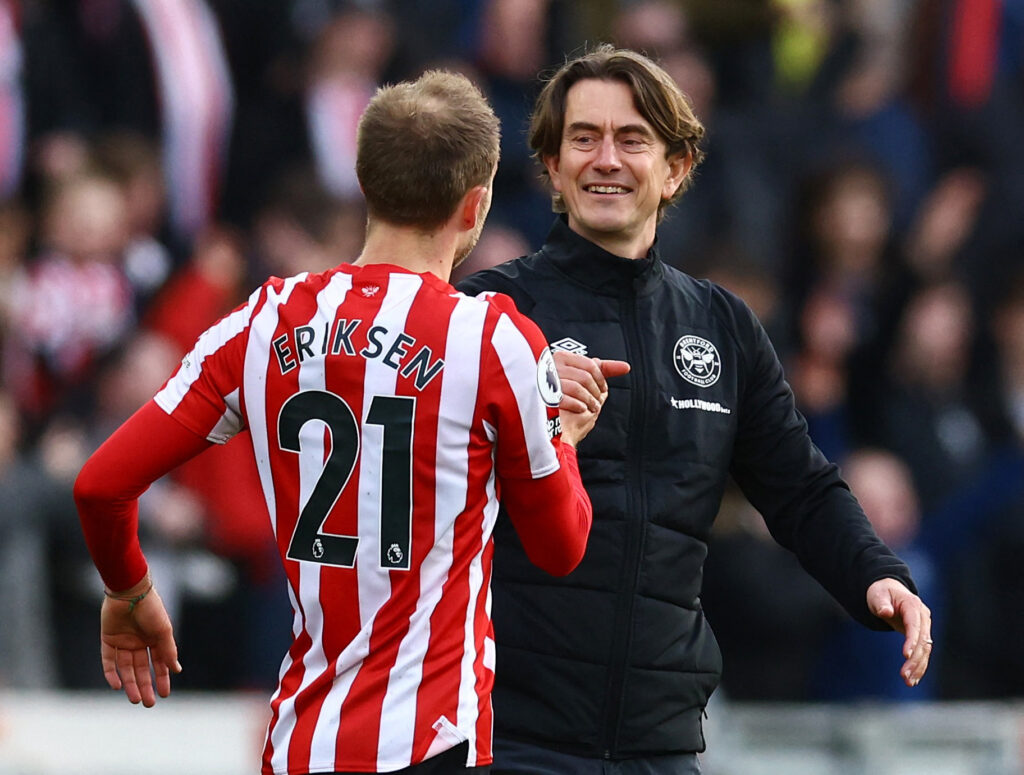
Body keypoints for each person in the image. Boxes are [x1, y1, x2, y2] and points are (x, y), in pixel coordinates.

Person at [73, 70, 622, 775]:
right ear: (475, 204)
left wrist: (129, 590)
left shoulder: (261, 321)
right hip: (431, 741)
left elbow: (100, 485)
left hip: (302, 742)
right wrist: (565, 437)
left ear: (365, 183)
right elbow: (560, 545)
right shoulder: (492, 341)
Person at [456, 45, 933, 774]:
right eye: (583, 138)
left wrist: (874, 572)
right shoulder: (487, 312)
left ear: (676, 168)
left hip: (663, 740)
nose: (605, 158)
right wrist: (522, 397)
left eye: (632, 139)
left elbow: (800, 487)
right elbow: (423, 485)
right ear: (550, 167)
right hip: (511, 737)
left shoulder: (722, 326)